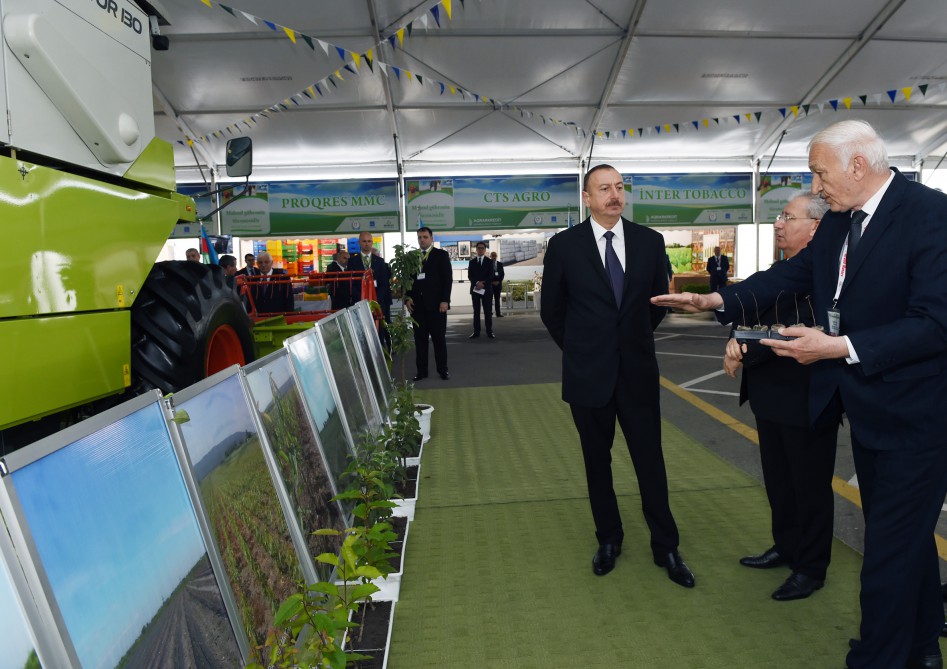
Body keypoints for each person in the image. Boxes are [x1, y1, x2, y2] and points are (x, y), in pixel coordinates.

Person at [652, 120, 947, 669]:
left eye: (819, 171)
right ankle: (925, 643)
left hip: (921, 417)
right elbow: (786, 278)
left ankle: (878, 657)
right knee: (903, 537)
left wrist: (839, 347)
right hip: (870, 412)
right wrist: (718, 301)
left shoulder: (931, 215)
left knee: (887, 546)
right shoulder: (838, 221)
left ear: (858, 165)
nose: (814, 185)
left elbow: (934, 323)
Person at [540, 164, 695, 589]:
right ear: (586, 198)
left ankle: (666, 546)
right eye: (604, 188)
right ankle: (609, 539)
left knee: (651, 460)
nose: (614, 195)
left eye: (620, 187)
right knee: (597, 462)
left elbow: (657, 303)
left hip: (638, 373)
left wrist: (631, 341)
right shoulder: (564, 246)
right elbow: (551, 310)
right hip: (588, 376)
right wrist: (582, 351)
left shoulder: (650, 242)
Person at [723, 193, 839, 602]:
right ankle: (786, 546)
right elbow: (754, 315)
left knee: (809, 487)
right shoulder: (779, 270)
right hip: (770, 396)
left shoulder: (825, 277)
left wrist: (748, 344)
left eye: (787, 216)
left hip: (806, 398)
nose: (777, 223)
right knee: (779, 483)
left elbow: (794, 329)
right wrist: (736, 338)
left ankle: (811, 567)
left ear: (815, 227)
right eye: (779, 216)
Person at [407, 226, 452, 381]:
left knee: (439, 339)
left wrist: (445, 300)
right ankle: (422, 371)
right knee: (420, 341)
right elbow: (407, 280)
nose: (422, 240)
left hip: (437, 307)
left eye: (425, 237)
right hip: (417, 308)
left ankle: (443, 370)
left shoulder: (441, 255)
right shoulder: (412, 257)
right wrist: (407, 298)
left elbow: (447, 279)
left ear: (432, 238)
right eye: (419, 237)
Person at [348, 232, 393, 347]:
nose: (367, 244)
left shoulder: (380, 261)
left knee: (379, 333)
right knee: (362, 333)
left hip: (377, 303)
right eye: (364, 241)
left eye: (369, 241)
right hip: (360, 303)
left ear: (372, 242)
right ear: (359, 243)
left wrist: (375, 299)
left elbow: (384, 284)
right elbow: (351, 284)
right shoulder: (352, 262)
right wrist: (362, 299)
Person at [467, 241, 495, 339]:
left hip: (486, 289)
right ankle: (476, 332)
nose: (480, 249)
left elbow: (491, 275)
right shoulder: (472, 262)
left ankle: (489, 331)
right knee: (476, 312)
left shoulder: (489, 261)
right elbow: (470, 275)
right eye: (479, 248)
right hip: (475, 289)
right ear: (476, 249)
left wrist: (482, 283)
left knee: (488, 311)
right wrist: (477, 283)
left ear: (485, 250)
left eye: (482, 248)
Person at [490, 251, 505, 317]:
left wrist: (499, 281)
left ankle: (498, 313)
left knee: (497, 299)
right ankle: (489, 313)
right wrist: (491, 282)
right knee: (489, 299)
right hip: (490, 284)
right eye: (492, 256)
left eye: (494, 256)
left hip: (498, 284)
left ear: (496, 256)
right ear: (490, 256)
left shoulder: (500, 264)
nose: (493, 257)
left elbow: (502, 274)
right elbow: (486, 274)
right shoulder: (488, 264)